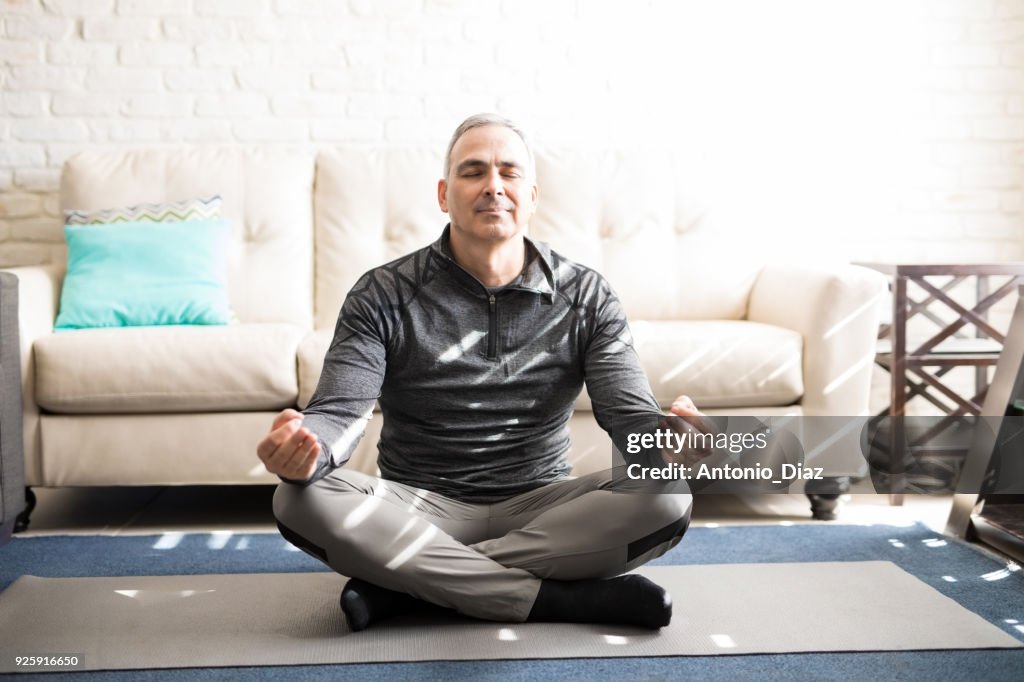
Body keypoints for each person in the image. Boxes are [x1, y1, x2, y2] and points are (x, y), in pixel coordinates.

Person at [259, 113, 707, 632]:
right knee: (299, 497)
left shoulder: (586, 296)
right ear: (444, 194)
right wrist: (305, 452)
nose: (493, 186)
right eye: (473, 172)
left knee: (668, 493)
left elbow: (632, 422)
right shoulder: (381, 294)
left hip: (544, 510)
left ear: (533, 196)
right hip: (416, 507)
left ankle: (410, 583)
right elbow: (339, 412)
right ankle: (559, 600)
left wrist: (673, 445)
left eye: (509, 173)